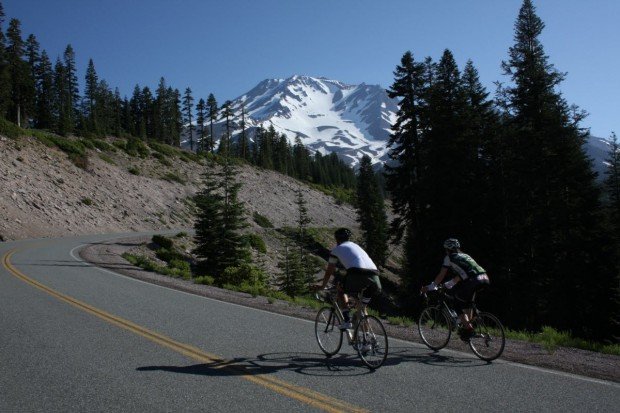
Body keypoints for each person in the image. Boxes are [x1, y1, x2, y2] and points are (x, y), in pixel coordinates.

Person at [420, 238, 490, 341]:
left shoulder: (449, 258)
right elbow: (462, 274)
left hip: (473, 280)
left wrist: (431, 286)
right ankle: (468, 328)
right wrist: (449, 284)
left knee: (457, 302)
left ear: (448, 249)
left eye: (445, 249)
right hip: (484, 278)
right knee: (467, 303)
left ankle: (468, 329)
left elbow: (441, 274)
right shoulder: (466, 256)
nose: (445, 251)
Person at [316, 228, 382, 330]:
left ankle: (346, 321)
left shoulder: (336, 250)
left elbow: (329, 271)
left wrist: (323, 286)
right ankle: (368, 339)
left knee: (341, 290)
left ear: (337, 239)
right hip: (375, 276)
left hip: (357, 273)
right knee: (361, 308)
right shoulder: (356, 246)